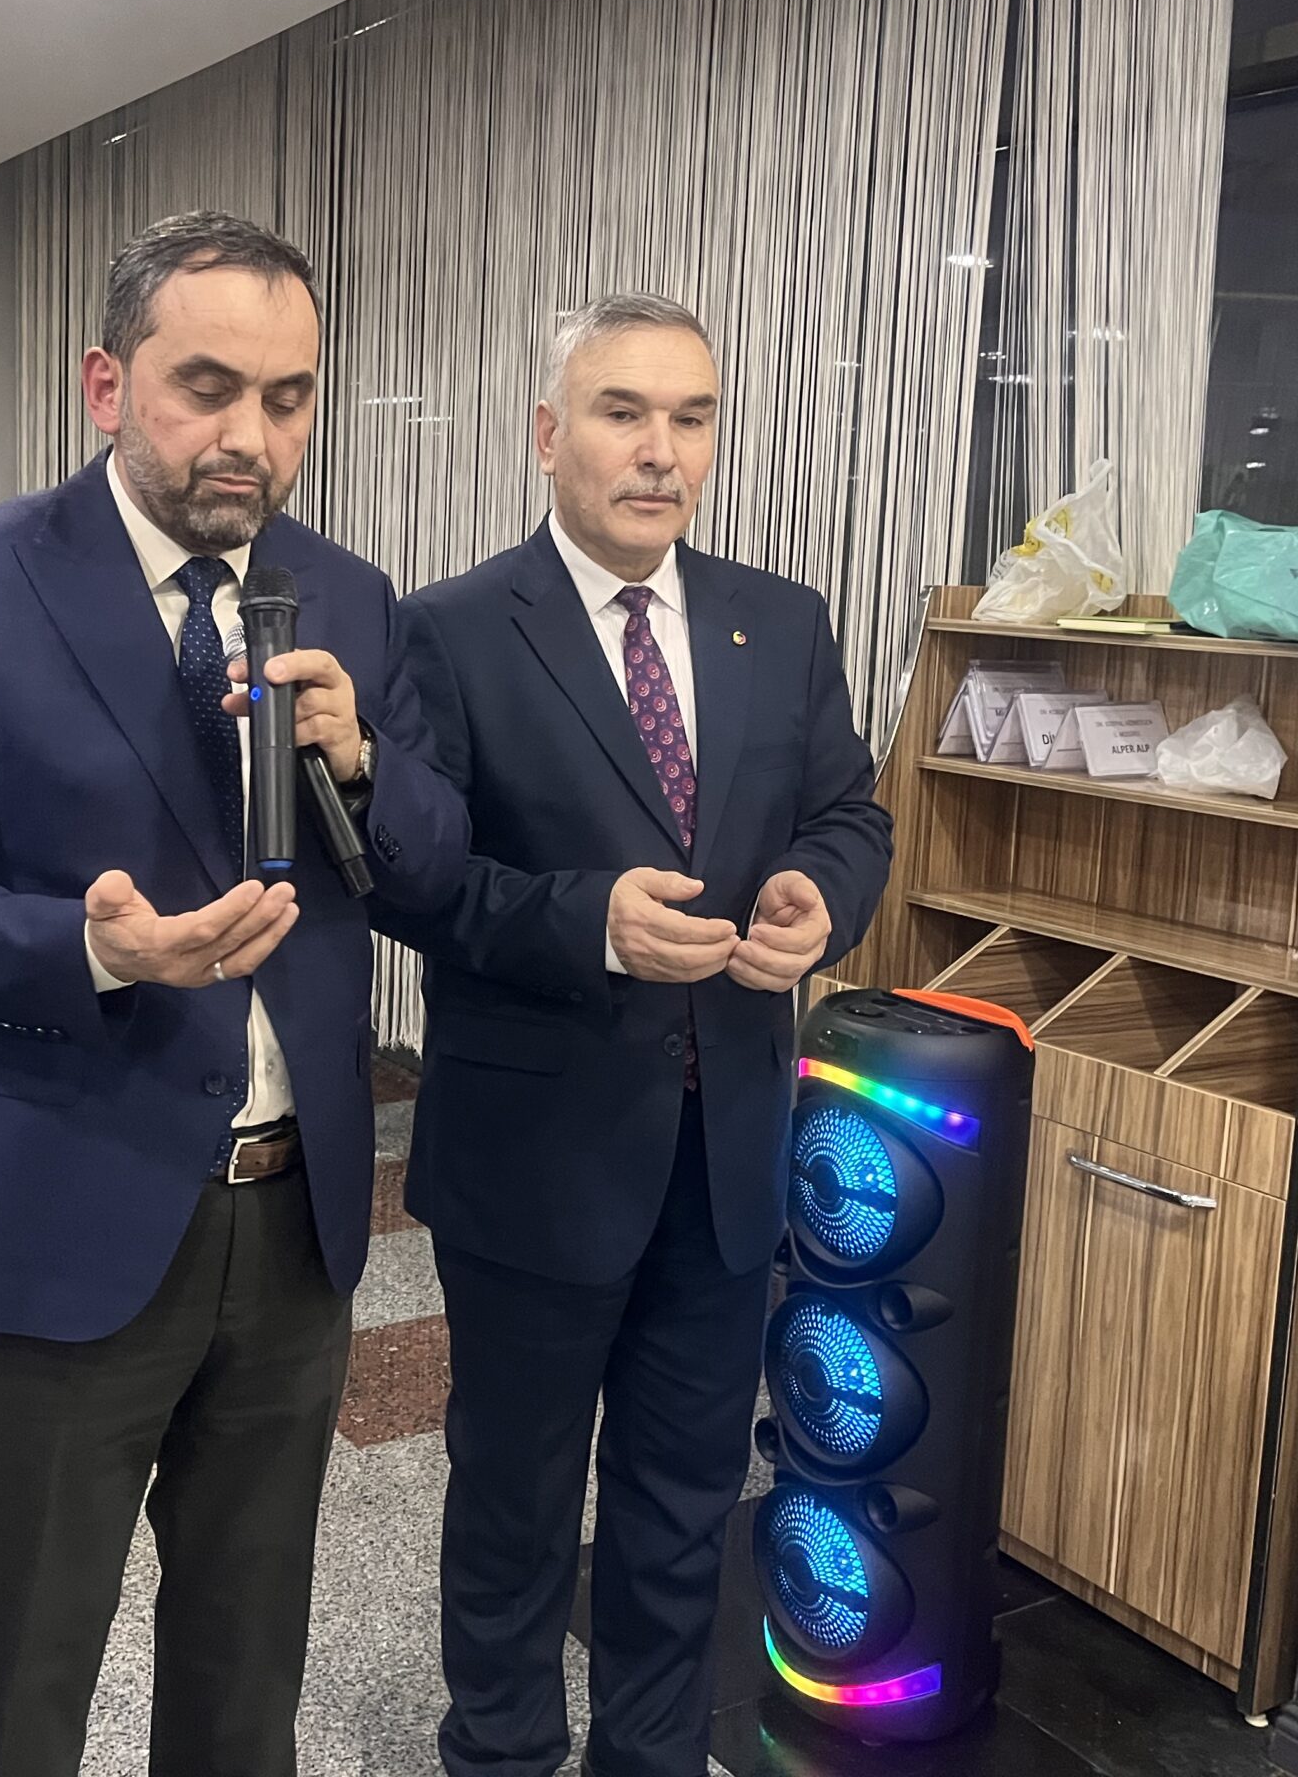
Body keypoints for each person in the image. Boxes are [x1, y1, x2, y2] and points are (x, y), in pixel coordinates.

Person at [0, 210, 467, 1777]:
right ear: (109, 385)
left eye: (290, 397)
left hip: (293, 1230)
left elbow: (436, 873)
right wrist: (97, 950)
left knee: (246, 1686)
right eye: (208, 387)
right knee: (24, 1693)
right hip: (51, 1213)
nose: (253, 436)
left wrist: (361, 763)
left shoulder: (348, 597)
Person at [377, 295, 894, 1777]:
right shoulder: (453, 630)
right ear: (551, 436)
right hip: (535, 1158)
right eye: (623, 412)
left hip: (725, 1161)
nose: (660, 450)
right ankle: (499, 1752)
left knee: (681, 1507)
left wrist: (821, 896)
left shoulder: (779, 622)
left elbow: (847, 814)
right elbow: (415, 883)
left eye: (691, 416)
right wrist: (588, 923)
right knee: (517, 1502)